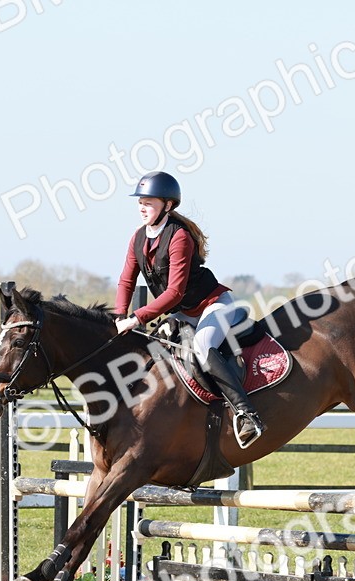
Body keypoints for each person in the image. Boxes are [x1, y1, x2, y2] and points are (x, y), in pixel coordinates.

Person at [113, 171, 266, 448]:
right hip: (182, 312)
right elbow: (126, 280)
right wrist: (118, 316)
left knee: (203, 346)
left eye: (148, 202)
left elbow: (174, 293)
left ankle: (247, 415)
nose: (142, 208)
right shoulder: (138, 238)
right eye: (140, 203)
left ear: (167, 206)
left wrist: (136, 317)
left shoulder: (179, 236)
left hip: (212, 305)